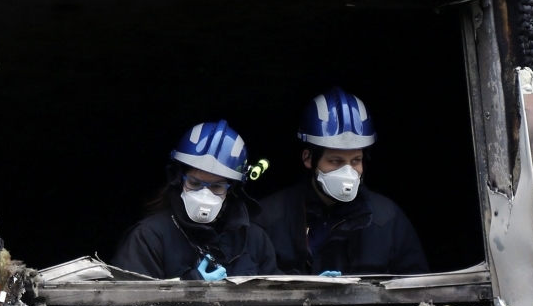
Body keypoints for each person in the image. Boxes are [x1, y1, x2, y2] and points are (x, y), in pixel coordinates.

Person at [252, 88, 429, 276]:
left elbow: (416, 287)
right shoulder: (269, 219)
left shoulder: (387, 219)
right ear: (308, 159)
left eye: (356, 160)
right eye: (335, 161)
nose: (348, 171)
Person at [110, 119, 276, 280]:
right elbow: (128, 301)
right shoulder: (149, 238)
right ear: (179, 179)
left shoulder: (254, 240)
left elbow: (277, 300)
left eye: (216, 187)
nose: (204, 194)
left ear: (232, 189)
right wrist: (187, 287)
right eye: (195, 183)